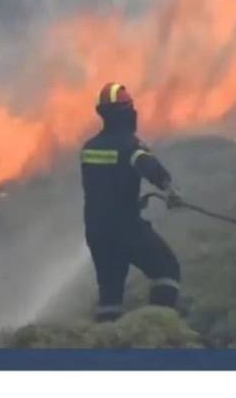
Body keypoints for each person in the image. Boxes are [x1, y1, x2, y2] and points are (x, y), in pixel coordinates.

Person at [80, 82, 182, 322]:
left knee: (110, 294)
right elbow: (148, 166)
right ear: (126, 113)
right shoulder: (130, 145)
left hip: (97, 232)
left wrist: (133, 202)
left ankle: (106, 337)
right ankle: (159, 325)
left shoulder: (89, 149)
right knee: (166, 269)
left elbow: (105, 190)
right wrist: (169, 188)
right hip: (126, 229)